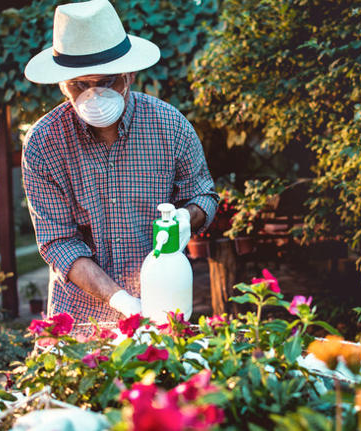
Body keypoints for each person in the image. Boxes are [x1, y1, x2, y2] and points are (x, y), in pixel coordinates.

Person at [21, 0, 218, 324]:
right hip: (80, 321)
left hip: (163, 308)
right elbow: (59, 242)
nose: (94, 95)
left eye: (107, 81)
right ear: (61, 83)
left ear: (128, 75)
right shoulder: (44, 143)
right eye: (81, 85)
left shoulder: (169, 126)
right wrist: (122, 301)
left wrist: (187, 218)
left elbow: (204, 195)